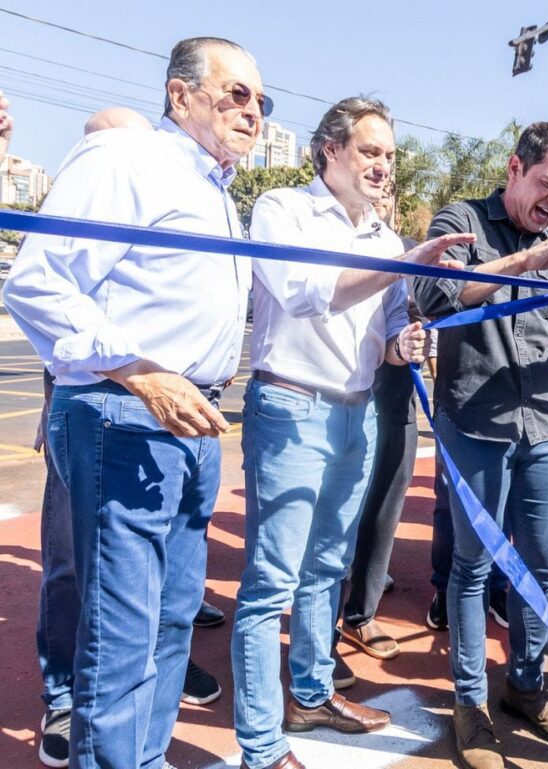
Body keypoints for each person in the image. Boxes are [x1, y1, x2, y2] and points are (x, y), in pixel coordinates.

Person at [3, 36, 265, 769]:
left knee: (170, 626)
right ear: (180, 95)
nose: (252, 110)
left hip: (195, 425)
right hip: (127, 418)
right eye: (237, 92)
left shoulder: (215, 190)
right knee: (121, 641)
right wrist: (142, 371)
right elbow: (34, 283)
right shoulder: (128, 159)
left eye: (260, 100)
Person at [231, 96, 472, 769]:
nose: (383, 166)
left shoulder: (386, 241)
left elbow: (389, 334)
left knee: (327, 566)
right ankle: (259, 745)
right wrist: (407, 264)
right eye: (370, 151)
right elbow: (308, 292)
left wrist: (408, 341)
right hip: (289, 408)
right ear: (329, 150)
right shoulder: (283, 209)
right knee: (270, 582)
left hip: (358, 410)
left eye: (390, 155)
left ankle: (311, 692)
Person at [413, 121, 548, 769]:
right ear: (514, 168)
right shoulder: (462, 220)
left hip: (544, 424)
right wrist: (527, 261)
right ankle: (470, 704)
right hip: (473, 421)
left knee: (537, 568)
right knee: (473, 569)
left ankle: (526, 686)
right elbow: (436, 297)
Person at [337, 191, 420, 662]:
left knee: (386, 501)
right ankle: (319, 621)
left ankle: (361, 614)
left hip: (394, 390)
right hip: (339, 390)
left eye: (390, 189)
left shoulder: (404, 249)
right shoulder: (321, 233)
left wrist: (415, 329)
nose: (381, 195)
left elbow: (430, 309)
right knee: (333, 510)